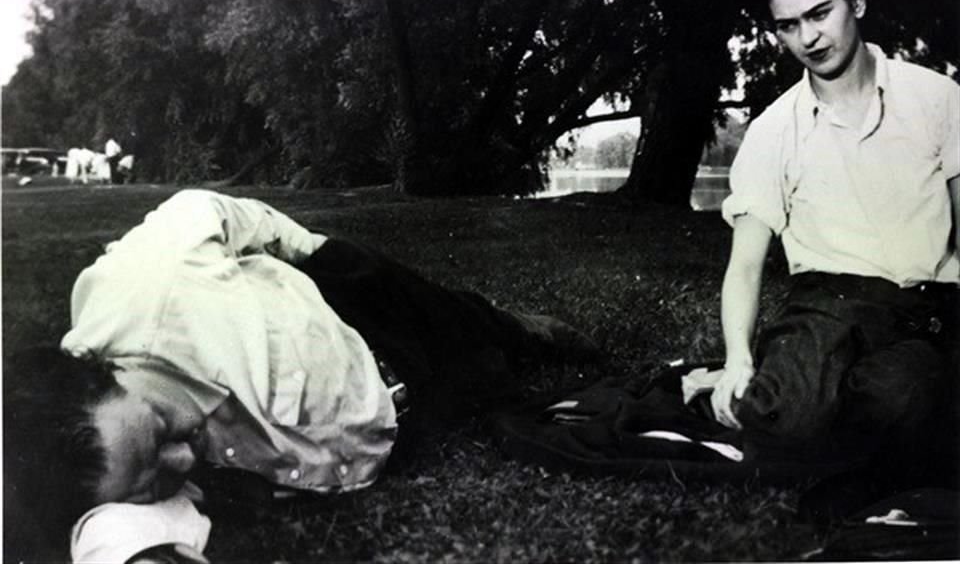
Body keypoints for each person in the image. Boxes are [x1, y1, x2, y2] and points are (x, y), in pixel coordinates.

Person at [4, 189, 599, 563]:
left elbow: (204, 208)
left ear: (101, 367)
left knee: (478, 330)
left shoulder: (150, 282)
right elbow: (107, 532)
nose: (183, 463)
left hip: (364, 317)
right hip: (404, 424)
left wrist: (314, 252)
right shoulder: (97, 467)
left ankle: (514, 325)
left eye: (162, 430)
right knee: (484, 388)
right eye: (152, 481)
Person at [709, 0, 958, 478]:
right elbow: (746, 264)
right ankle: (778, 389)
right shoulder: (774, 129)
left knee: (901, 397)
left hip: (924, 311)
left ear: (858, 2)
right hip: (826, 309)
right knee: (787, 416)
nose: (809, 38)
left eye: (820, 13)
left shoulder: (938, 99)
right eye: (788, 25)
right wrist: (737, 358)